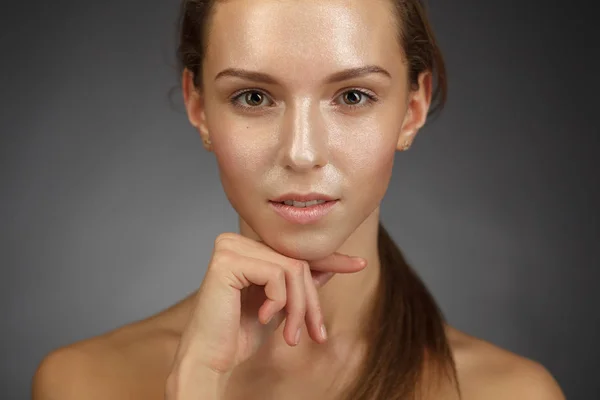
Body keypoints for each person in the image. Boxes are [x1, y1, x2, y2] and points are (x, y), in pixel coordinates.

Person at [32, 0, 566, 399]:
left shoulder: (511, 392)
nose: (302, 153)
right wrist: (194, 383)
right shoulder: (83, 383)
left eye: (353, 96)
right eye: (254, 97)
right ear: (198, 106)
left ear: (413, 107)